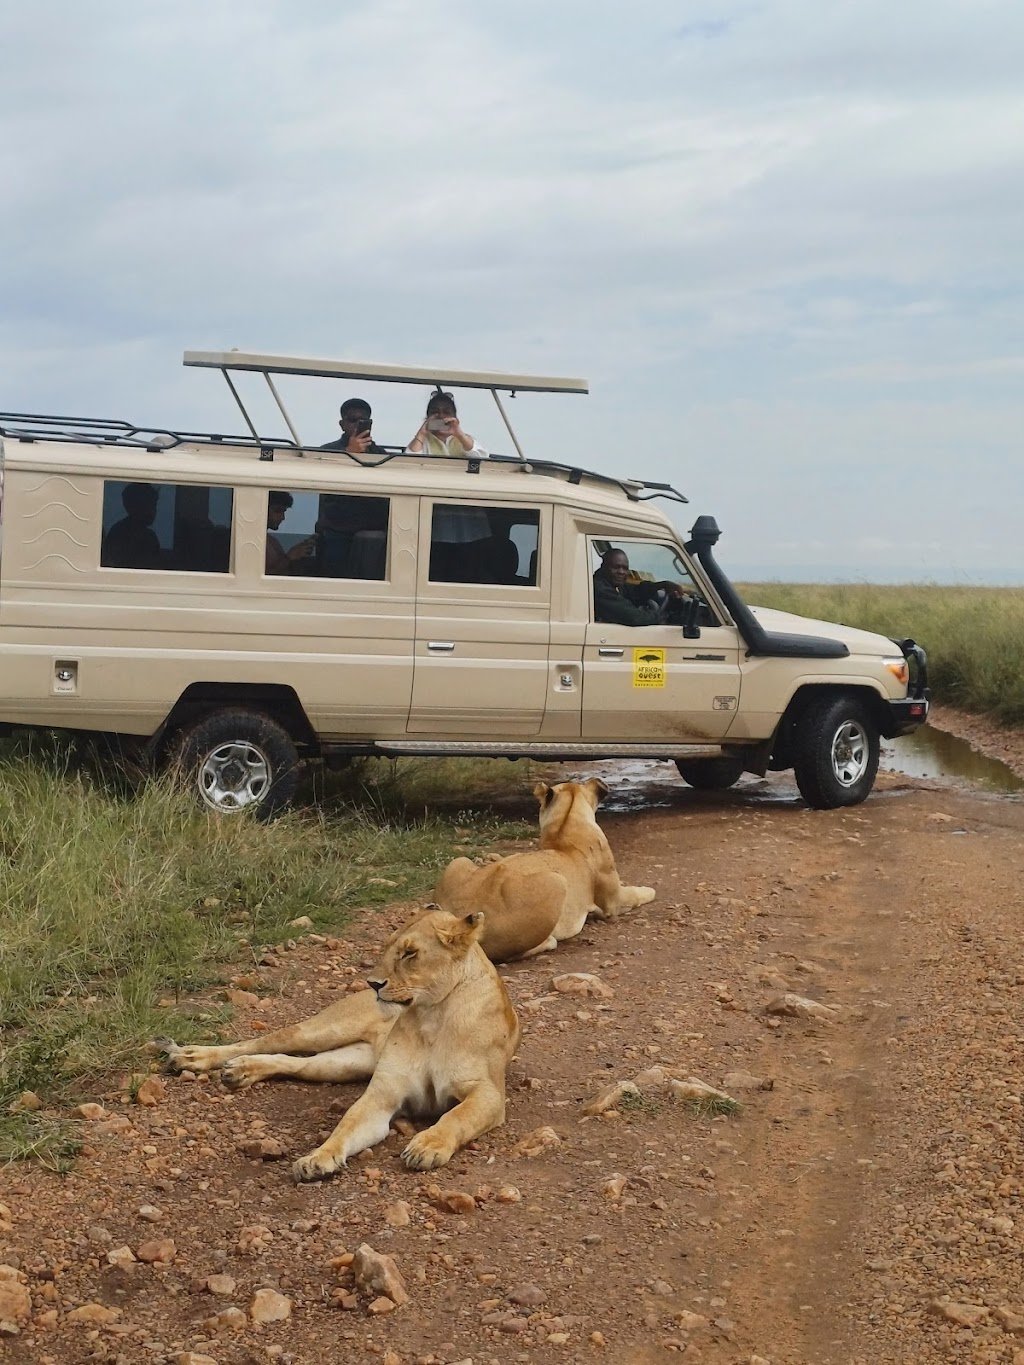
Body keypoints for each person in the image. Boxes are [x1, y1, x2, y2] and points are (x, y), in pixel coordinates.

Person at [592, 547, 686, 626]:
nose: (621, 572)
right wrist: (662, 616)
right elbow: (635, 618)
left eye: (625, 568)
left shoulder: (612, 583)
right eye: (616, 567)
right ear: (603, 566)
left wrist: (662, 585)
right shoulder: (599, 589)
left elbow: (635, 591)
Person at [406, 390, 486, 457]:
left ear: (455, 417)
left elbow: (481, 457)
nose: (441, 416)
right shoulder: (423, 441)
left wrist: (459, 435)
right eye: (435, 412)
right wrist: (422, 433)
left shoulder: (465, 440)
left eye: (446, 412)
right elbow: (409, 461)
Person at [102, 482, 161, 569]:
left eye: (154, 506)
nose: (153, 511)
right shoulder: (120, 534)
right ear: (135, 507)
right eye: (150, 506)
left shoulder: (117, 530)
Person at [265, 490, 315, 574]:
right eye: (277, 511)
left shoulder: (273, 542)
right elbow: (256, 576)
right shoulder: (252, 540)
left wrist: (299, 554)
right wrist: (289, 557)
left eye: (283, 511)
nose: (282, 517)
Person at [321, 398, 387, 455]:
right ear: (342, 424)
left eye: (362, 421)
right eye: (352, 420)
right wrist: (348, 451)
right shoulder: (325, 451)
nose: (357, 424)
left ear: (370, 423)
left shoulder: (382, 454)